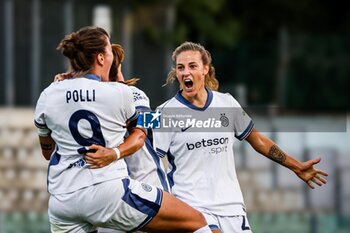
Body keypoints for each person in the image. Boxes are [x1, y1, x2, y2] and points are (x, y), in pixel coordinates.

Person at [34, 26, 212, 233]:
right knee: (197, 223)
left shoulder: (52, 94)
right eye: (118, 67)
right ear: (105, 63)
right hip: (126, 192)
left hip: (66, 195)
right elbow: (151, 125)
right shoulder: (127, 94)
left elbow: (49, 149)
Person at [152, 41, 329, 233]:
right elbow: (144, 151)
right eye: (180, 67)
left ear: (205, 69)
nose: (186, 72)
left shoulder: (226, 103)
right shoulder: (165, 114)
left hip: (232, 207)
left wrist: (296, 166)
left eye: (192, 66)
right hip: (192, 208)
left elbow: (258, 140)